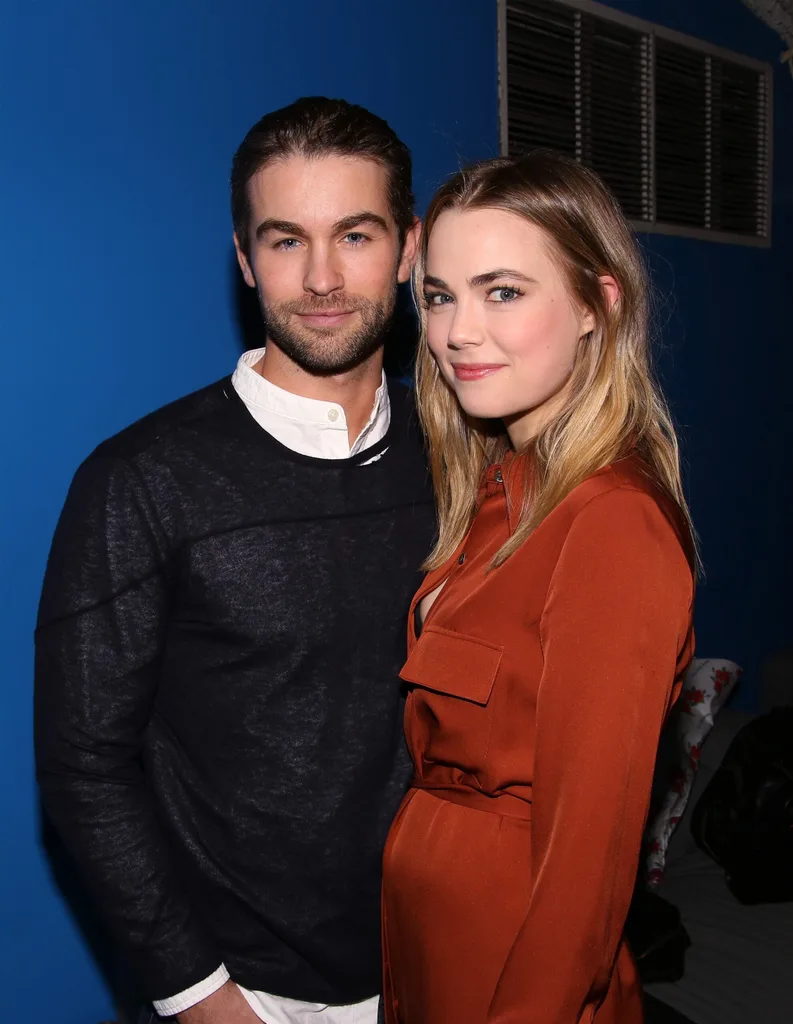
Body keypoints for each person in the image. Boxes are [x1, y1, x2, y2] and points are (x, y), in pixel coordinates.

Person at [34, 97, 434, 1024]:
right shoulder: (140, 481)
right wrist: (200, 998)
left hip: (441, 955)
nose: (324, 278)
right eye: (287, 240)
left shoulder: (462, 453)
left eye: (357, 235)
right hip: (248, 994)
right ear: (246, 259)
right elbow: (84, 769)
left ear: (409, 249)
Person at [381, 152, 697, 1024]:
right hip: (434, 935)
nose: (457, 333)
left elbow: (586, 864)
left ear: (599, 305)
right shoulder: (501, 492)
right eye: (439, 296)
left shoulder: (609, 522)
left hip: (514, 954)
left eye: (503, 292)